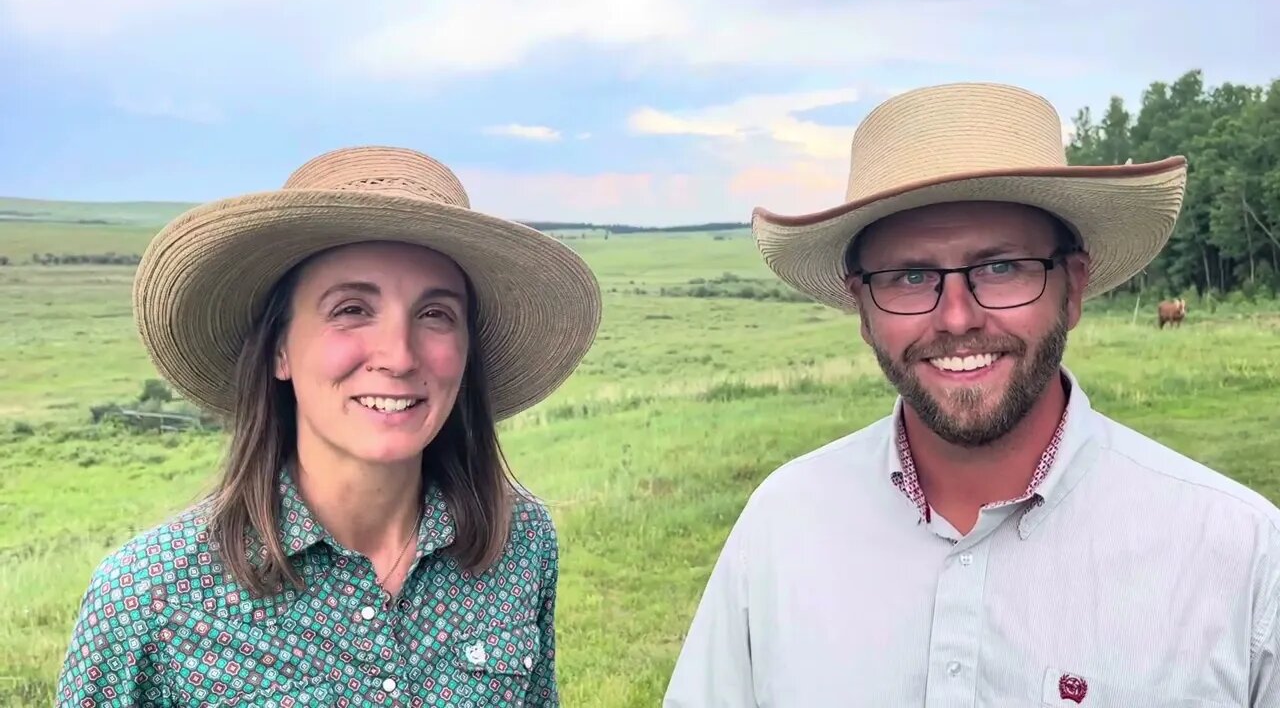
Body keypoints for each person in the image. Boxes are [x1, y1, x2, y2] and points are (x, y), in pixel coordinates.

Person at [664, 83, 1280, 706]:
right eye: (910, 276)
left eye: (1001, 267)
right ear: (861, 307)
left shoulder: (1240, 556)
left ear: (1073, 287)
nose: (957, 318)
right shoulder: (780, 528)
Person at [56, 146, 601, 707]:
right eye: (351, 309)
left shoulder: (520, 541)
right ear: (279, 350)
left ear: (466, 353)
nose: (399, 356)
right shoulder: (148, 599)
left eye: (436, 314)